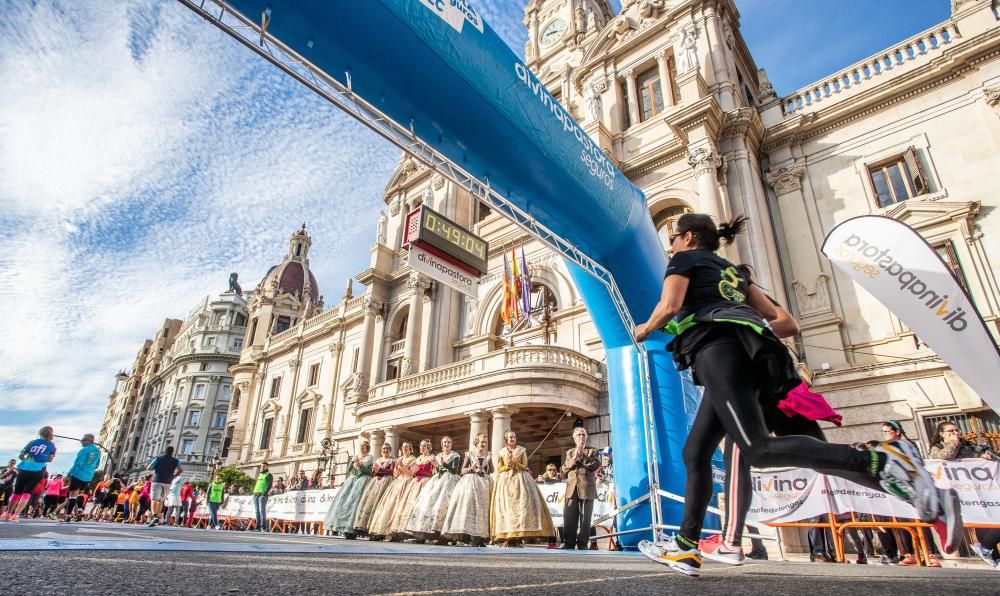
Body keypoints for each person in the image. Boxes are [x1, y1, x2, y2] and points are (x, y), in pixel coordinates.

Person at [633, 214, 962, 577]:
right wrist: (744, 325)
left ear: (689, 237)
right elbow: (786, 322)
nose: (671, 246)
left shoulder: (683, 260)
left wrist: (645, 329)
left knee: (757, 450)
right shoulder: (734, 273)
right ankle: (686, 548)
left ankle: (883, 462)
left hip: (719, 351)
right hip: (757, 356)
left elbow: (671, 306)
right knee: (696, 451)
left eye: (674, 238)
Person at [490, 430, 555, 547]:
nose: (512, 439)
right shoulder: (501, 452)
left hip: (520, 480)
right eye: (510, 437)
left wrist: (516, 463)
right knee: (507, 509)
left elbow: (525, 466)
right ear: (506, 439)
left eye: (514, 437)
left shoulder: (521, 450)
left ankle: (518, 537)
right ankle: (508, 537)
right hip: (505, 483)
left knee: (520, 508)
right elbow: (499, 468)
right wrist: (508, 465)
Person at [406, 436, 462, 542]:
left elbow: (454, 471)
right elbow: (436, 472)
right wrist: (436, 467)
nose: (446, 444)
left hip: (450, 481)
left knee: (445, 504)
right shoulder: (438, 455)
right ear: (442, 444)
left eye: (449, 442)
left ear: (451, 444)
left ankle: (444, 536)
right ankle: (424, 534)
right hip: (438, 480)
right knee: (429, 502)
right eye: (444, 442)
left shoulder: (455, 455)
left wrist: (442, 464)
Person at [442, 433, 494, 546]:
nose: (484, 444)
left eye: (485, 442)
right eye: (482, 442)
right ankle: (471, 537)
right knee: (470, 508)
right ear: (476, 442)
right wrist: (471, 467)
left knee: (484, 510)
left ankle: (481, 537)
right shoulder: (469, 454)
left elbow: (492, 470)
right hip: (471, 482)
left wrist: (489, 460)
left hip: (485, 483)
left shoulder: (487, 454)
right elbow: (462, 471)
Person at [3, 426, 57, 522]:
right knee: (27, 492)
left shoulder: (32, 442)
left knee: (17, 491)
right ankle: (16, 515)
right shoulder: (52, 446)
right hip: (39, 469)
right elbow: (50, 459)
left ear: (40, 433)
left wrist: (29, 460)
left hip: (25, 467)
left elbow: (21, 455)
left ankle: (8, 513)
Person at [561, 427, 601, 550]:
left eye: (583, 435)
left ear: (586, 437)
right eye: (578, 435)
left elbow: (595, 465)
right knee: (569, 517)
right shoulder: (569, 452)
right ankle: (569, 543)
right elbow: (563, 469)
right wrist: (574, 459)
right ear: (574, 438)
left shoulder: (593, 451)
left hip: (586, 488)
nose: (581, 437)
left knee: (585, 519)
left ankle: (582, 543)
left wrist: (582, 456)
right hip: (571, 488)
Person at [324, 441, 373, 538]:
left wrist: (361, 466)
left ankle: (353, 530)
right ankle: (344, 528)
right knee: (344, 503)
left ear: (367, 448)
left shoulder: (369, 458)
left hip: (362, 481)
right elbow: (348, 470)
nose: (361, 448)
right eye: (361, 446)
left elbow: (369, 472)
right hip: (352, 480)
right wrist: (352, 462)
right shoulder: (356, 456)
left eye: (364, 446)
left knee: (356, 504)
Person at [368, 442, 417, 540]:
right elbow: (395, 474)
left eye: (407, 447)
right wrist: (397, 468)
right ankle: (386, 531)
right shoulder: (399, 459)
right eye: (403, 447)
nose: (404, 449)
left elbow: (412, 474)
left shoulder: (413, 459)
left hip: (407, 483)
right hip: (398, 482)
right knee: (389, 506)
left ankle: (398, 533)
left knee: (401, 507)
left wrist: (402, 467)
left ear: (410, 448)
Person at [389, 439, 435, 540]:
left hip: (426, 482)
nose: (422, 448)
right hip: (416, 483)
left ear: (428, 447)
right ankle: (404, 532)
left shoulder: (431, 458)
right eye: (421, 446)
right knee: (408, 506)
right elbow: (412, 474)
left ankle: (421, 534)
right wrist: (399, 466)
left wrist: (420, 473)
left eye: (424, 446)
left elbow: (433, 472)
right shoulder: (418, 459)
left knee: (422, 507)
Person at [353, 443, 395, 535]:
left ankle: (379, 530)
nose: (385, 450)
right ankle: (366, 528)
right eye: (383, 449)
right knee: (370, 503)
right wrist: (376, 473)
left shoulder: (392, 460)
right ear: (381, 450)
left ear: (390, 450)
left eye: (387, 449)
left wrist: (380, 469)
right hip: (376, 482)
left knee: (381, 504)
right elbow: (372, 472)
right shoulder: (378, 460)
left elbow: (392, 472)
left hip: (387, 481)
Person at [62, 433, 101, 522]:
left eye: (83, 440)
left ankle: (68, 516)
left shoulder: (84, 450)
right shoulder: (97, 451)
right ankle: (80, 509)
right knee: (80, 494)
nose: (81, 442)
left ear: (89, 440)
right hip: (88, 476)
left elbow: (77, 463)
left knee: (72, 495)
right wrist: (90, 469)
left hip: (78, 474)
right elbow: (97, 465)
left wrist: (69, 474)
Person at [145, 446, 183, 527]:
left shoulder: (158, 458)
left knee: (154, 499)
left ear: (164, 451)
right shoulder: (176, 460)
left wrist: (156, 468)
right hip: (168, 482)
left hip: (157, 480)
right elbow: (181, 469)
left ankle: (154, 516)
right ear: (173, 452)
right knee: (161, 500)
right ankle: (158, 517)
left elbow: (149, 468)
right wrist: (174, 476)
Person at [928, 420, 994, 461]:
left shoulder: (967, 444)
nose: (956, 433)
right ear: (942, 434)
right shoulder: (937, 447)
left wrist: (983, 455)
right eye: (951, 431)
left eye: (957, 430)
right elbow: (946, 457)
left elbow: (977, 454)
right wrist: (954, 442)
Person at [252, 462, 273, 532]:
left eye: (264, 466)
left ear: (267, 467)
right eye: (261, 466)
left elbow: (269, 485)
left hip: (262, 495)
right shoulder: (260, 475)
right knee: (257, 512)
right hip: (256, 494)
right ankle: (257, 527)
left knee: (262, 511)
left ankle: (263, 527)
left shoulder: (269, 475)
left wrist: (264, 493)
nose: (262, 467)